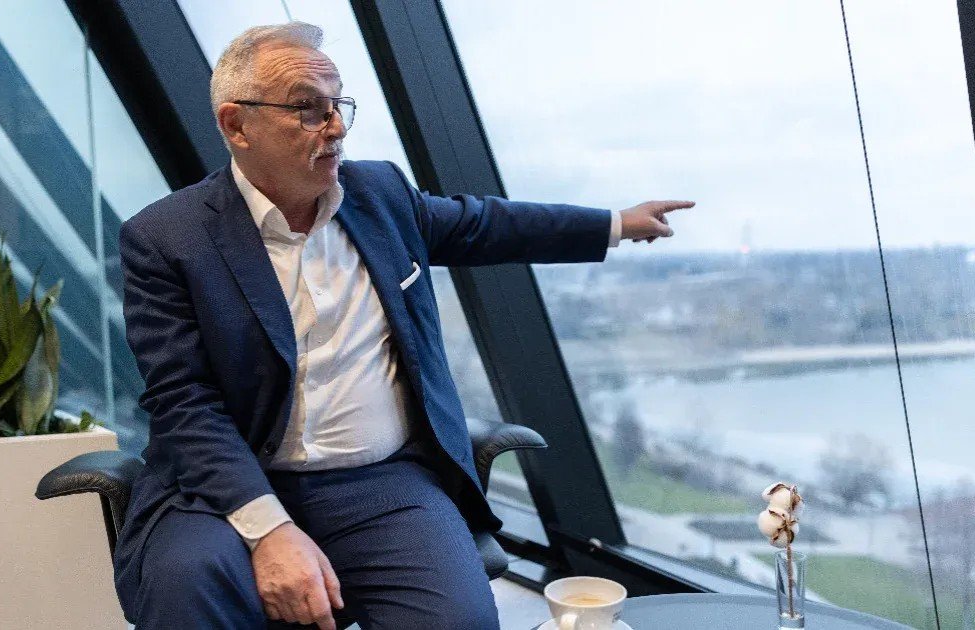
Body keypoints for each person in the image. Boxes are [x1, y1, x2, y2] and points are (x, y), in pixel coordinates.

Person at [113, 21, 693, 630]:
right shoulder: (166, 239)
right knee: (187, 597)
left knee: (459, 622)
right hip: (225, 488)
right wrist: (270, 530)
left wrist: (615, 223)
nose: (334, 127)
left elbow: (486, 225)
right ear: (237, 126)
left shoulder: (380, 194)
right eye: (308, 110)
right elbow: (184, 403)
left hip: (381, 484)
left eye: (338, 105)